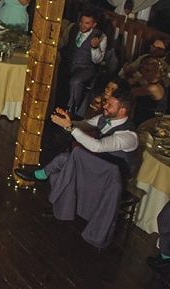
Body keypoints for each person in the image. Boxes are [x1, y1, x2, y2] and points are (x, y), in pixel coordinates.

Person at [14, 92, 139, 249]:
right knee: (63, 162)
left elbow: (97, 146)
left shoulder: (128, 136)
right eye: (106, 102)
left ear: (122, 111)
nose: (105, 105)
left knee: (65, 162)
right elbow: (83, 124)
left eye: (110, 104)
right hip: (95, 169)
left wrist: (70, 127)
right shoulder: (104, 118)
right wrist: (68, 120)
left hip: (108, 183)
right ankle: (43, 179)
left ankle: (45, 182)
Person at [61, 11, 107, 116]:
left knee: (75, 81)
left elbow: (97, 60)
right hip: (68, 63)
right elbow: (63, 42)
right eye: (81, 22)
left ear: (94, 24)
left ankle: (71, 109)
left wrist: (94, 47)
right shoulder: (72, 27)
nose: (82, 25)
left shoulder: (101, 36)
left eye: (87, 23)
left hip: (86, 67)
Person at [128, 58, 168, 126]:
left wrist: (130, 79)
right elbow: (142, 81)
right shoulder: (155, 82)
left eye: (148, 70)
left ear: (157, 73)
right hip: (142, 116)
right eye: (142, 68)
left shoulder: (153, 88)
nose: (142, 71)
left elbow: (131, 92)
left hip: (147, 121)